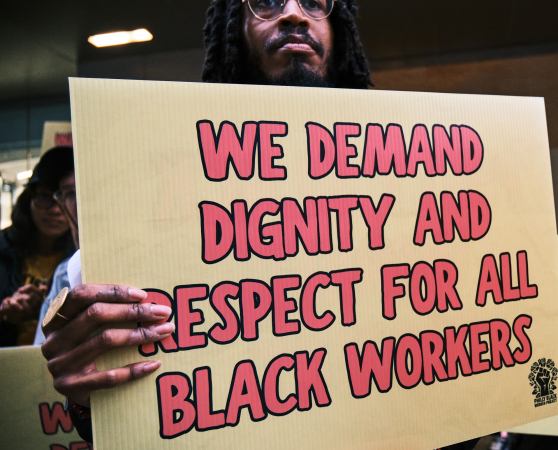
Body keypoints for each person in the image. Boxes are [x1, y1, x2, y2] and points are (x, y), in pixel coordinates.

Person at [39, 0, 373, 443]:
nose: (294, 13)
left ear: (339, 28)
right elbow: (127, 420)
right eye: (268, 1)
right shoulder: (155, 194)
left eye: (314, 2)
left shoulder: (411, 182)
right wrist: (86, 392)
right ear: (234, 30)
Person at [0, 147, 75, 346]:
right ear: (29, 201)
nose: (55, 210)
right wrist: (5, 313)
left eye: (68, 196)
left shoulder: (77, 260)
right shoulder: (3, 249)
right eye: (44, 197)